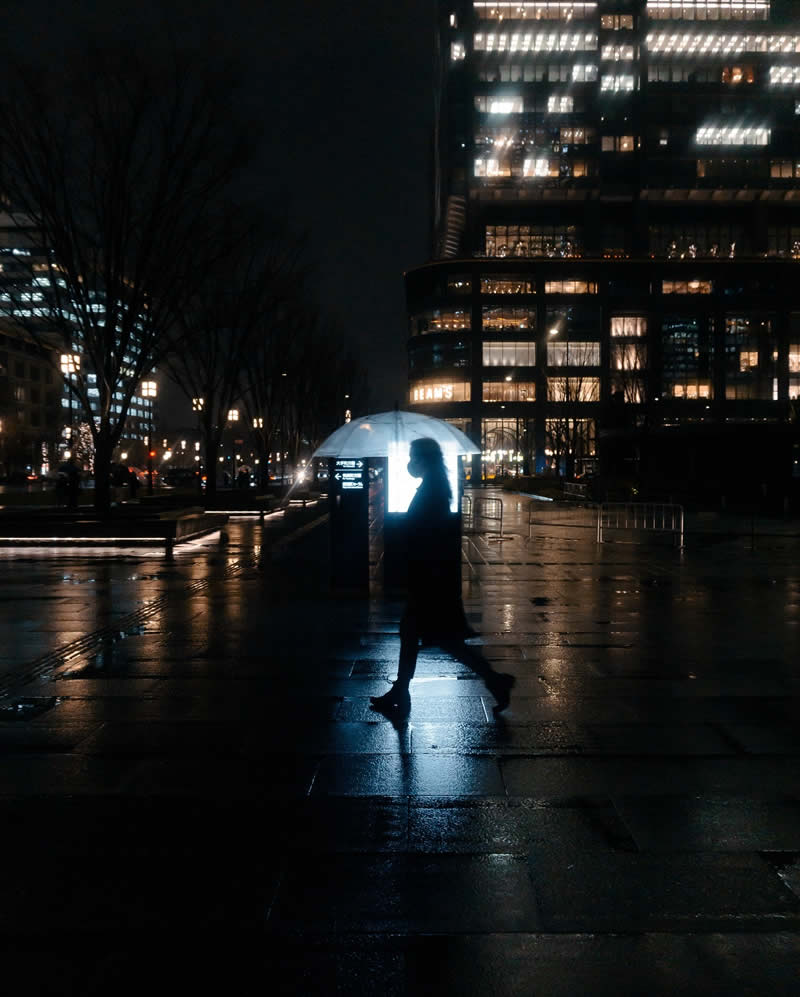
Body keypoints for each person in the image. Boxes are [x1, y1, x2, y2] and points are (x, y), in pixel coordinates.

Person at [370, 437, 515, 717]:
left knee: (439, 640)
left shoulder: (432, 492)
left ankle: (495, 680)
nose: (410, 463)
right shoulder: (433, 487)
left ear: (424, 460)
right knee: (417, 635)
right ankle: (402, 690)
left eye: (413, 457)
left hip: (430, 582)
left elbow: (427, 535)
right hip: (431, 579)